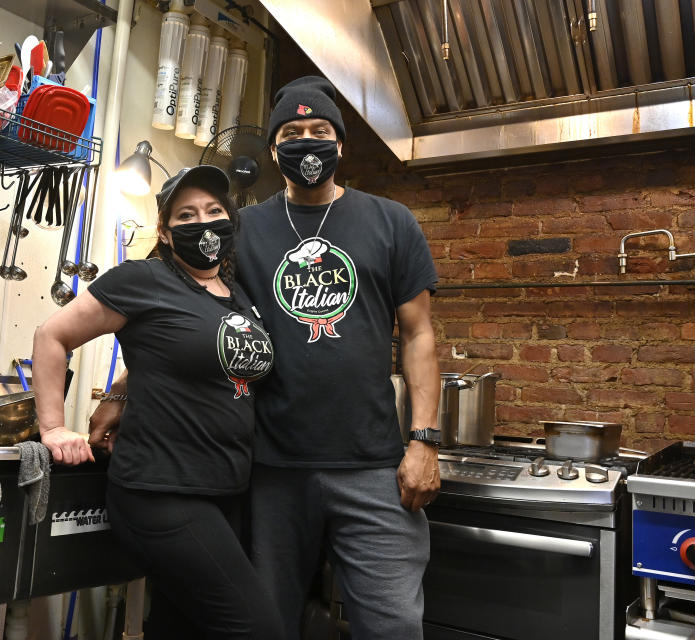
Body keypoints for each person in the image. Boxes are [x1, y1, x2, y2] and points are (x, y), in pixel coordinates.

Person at [31, 165, 282, 640]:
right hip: (162, 491)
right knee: (257, 629)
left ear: (230, 219)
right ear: (165, 233)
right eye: (186, 216)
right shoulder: (141, 279)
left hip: (225, 490)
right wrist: (53, 428)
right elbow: (51, 335)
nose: (203, 223)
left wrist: (120, 390)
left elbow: (175, 353)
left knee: (181, 628)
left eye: (213, 211)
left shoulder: (238, 297)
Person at [232, 76, 441, 639]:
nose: (307, 142)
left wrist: (424, 440)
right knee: (265, 626)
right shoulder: (242, 229)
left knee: (393, 624)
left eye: (320, 130)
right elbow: (188, 320)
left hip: (372, 466)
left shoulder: (390, 221)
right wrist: (124, 390)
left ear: (341, 144)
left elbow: (419, 335)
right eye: (293, 133)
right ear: (274, 148)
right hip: (270, 467)